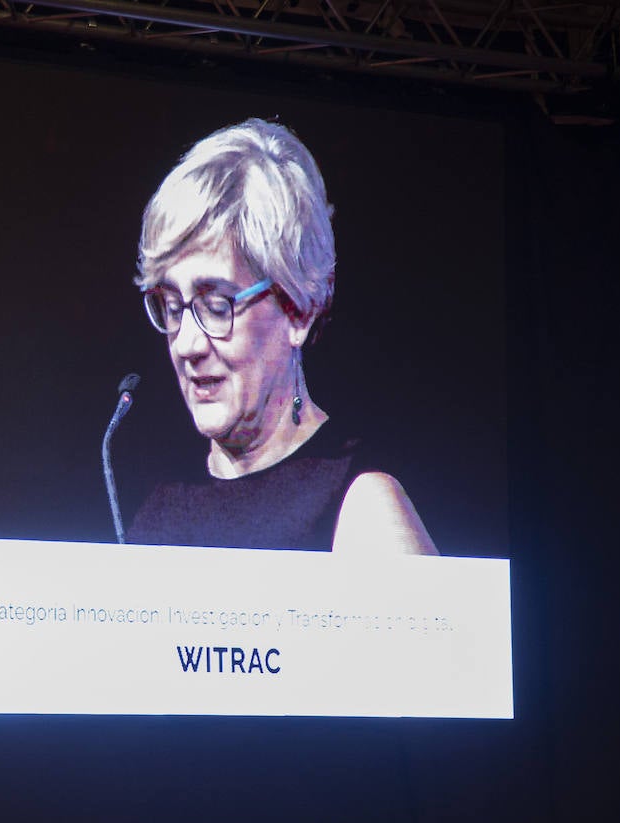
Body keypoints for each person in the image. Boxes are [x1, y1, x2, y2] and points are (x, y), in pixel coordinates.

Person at [126, 117, 436, 554]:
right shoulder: (156, 514)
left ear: (297, 311)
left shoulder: (364, 509)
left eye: (217, 306)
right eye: (173, 307)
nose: (186, 344)